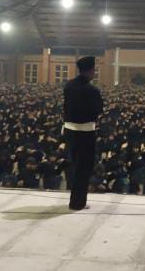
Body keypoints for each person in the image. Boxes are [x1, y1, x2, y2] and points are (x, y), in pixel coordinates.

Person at [63, 56, 103, 210]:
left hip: (69, 130)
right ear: (90, 71)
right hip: (85, 132)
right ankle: (77, 202)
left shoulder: (69, 85)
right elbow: (98, 109)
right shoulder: (92, 90)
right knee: (84, 167)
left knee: (74, 164)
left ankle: (75, 199)